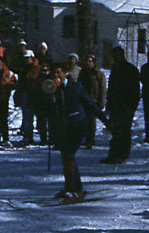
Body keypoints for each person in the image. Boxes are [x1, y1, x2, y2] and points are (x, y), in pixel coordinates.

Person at [46, 63, 109, 199]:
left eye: (58, 73)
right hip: (63, 127)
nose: (56, 76)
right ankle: (70, 187)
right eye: (54, 73)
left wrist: (105, 121)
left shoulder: (75, 88)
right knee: (66, 156)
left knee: (69, 155)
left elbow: (90, 105)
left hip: (77, 125)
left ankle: (77, 189)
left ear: (66, 73)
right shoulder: (52, 89)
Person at [101, 47, 140, 164]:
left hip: (126, 105)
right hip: (115, 105)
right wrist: (108, 106)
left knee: (124, 130)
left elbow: (135, 91)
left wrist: (132, 106)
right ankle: (113, 154)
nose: (115, 58)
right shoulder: (115, 69)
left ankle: (123, 154)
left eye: (117, 56)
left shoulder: (130, 69)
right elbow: (112, 89)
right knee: (114, 129)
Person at [78, 54, 107, 149]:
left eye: (90, 61)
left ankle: (90, 140)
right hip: (84, 100)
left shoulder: (98, 74)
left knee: (91, 121)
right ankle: (85, 138)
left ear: (94, 62)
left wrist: (101, 102)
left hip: (94, 100)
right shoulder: (83, 73)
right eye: (87, 61)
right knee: (84, 120)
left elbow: (102, 89)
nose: (88, 63)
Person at [15, 49, 40, 146]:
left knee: (39, 117)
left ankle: (43, 137)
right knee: (26, 116)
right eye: (25, 58)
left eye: (28, 58)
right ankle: (27, 136)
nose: (26, 60)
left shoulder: (36, 68)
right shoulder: (23, 69)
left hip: (36, 94)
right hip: (25, 94)